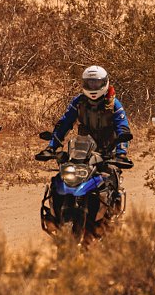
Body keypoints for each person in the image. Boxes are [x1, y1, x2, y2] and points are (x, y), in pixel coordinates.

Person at [36, 66, 132, 205]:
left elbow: (122, 128)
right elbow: (64, 123)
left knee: (110, 175)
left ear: (105, 83)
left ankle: (113, 209)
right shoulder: (79, 102)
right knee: (62, 177)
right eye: (90, 83)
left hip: (107, 150)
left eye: (96, 83)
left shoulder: (113, 104)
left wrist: (121, 153)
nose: (93, 86)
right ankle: (55, 210)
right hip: (82, 149)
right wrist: (51, 147)